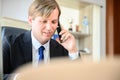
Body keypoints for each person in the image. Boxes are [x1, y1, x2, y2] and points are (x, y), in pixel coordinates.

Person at [3, 0, 79, 79]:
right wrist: (20, 77)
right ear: (30, 21)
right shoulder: (9, 45)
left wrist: (73, 51)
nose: (49, 28)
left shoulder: (62, 48)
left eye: (53, 22)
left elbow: (79, 76)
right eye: (44, 21)